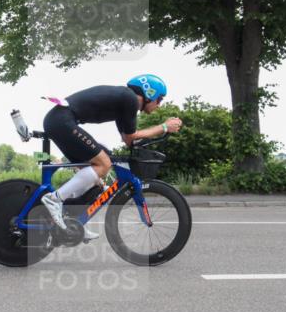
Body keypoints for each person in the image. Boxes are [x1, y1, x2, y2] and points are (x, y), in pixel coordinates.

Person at [40, 75, 182, 238]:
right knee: (104, 164)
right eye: (159, 99)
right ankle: (54, 199)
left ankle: (73, 221)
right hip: (62, 121)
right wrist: (164, 127)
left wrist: (158, 132)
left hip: (60, 122)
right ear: (150, 93)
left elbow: (128, 139)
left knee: (97, 178)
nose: (159, 105)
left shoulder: (125, 102)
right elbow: (132, 136)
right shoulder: (130, 99)